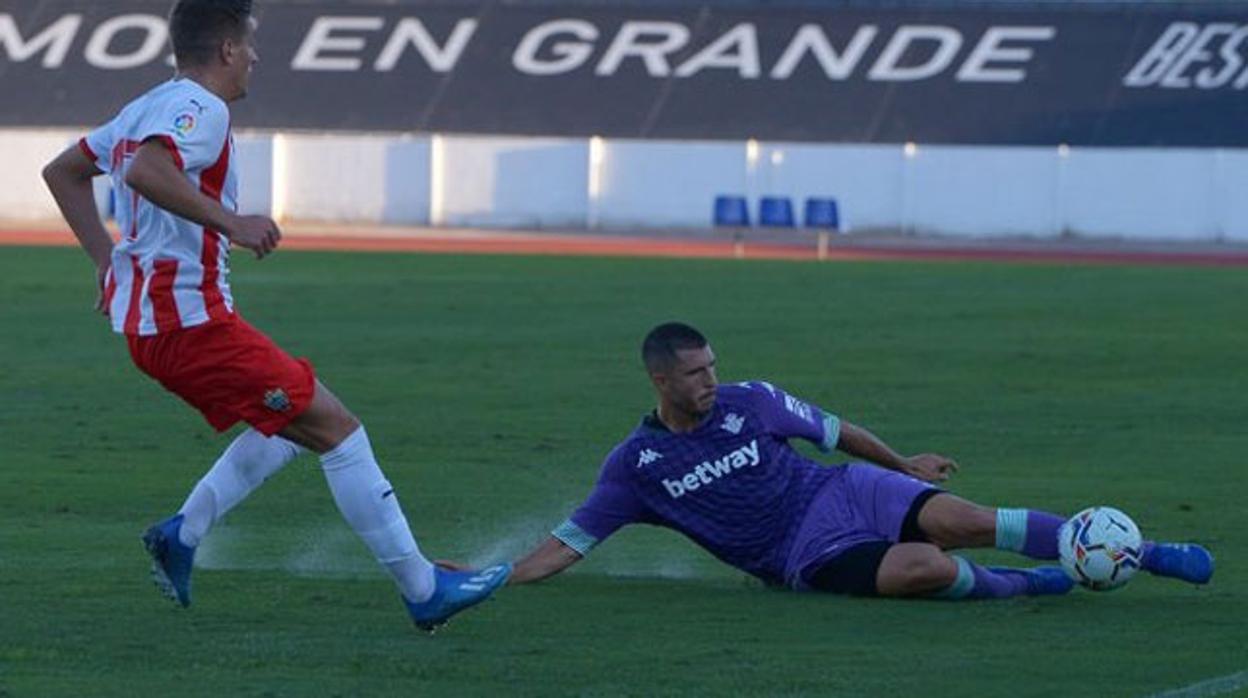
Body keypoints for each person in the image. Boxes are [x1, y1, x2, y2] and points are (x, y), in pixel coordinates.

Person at [40, 0, 508, 632]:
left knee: (287, 429)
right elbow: (149, 169)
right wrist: (232, 223)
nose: (255, 57)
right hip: (191, 326)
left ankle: (183, 532)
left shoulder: (146, 104)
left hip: (161, 329)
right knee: (340, 432)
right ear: (227, 50)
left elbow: (63, 172)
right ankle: (425, 591)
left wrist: (106, 261)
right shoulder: (201, 109)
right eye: (250, 44)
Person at [467, 322, 1212, 600]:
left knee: (965, 520)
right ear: (660, 381)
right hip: (805, 554)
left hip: (849, 492)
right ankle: (1027, 586)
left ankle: (1145, 553)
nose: (710, 380)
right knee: (926, 570)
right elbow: (569, 543)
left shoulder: (750, 401)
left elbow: (835, 431)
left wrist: (904, 463)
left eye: (712, 367)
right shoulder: (637, 467)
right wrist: (489, 579)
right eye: (695, 374)